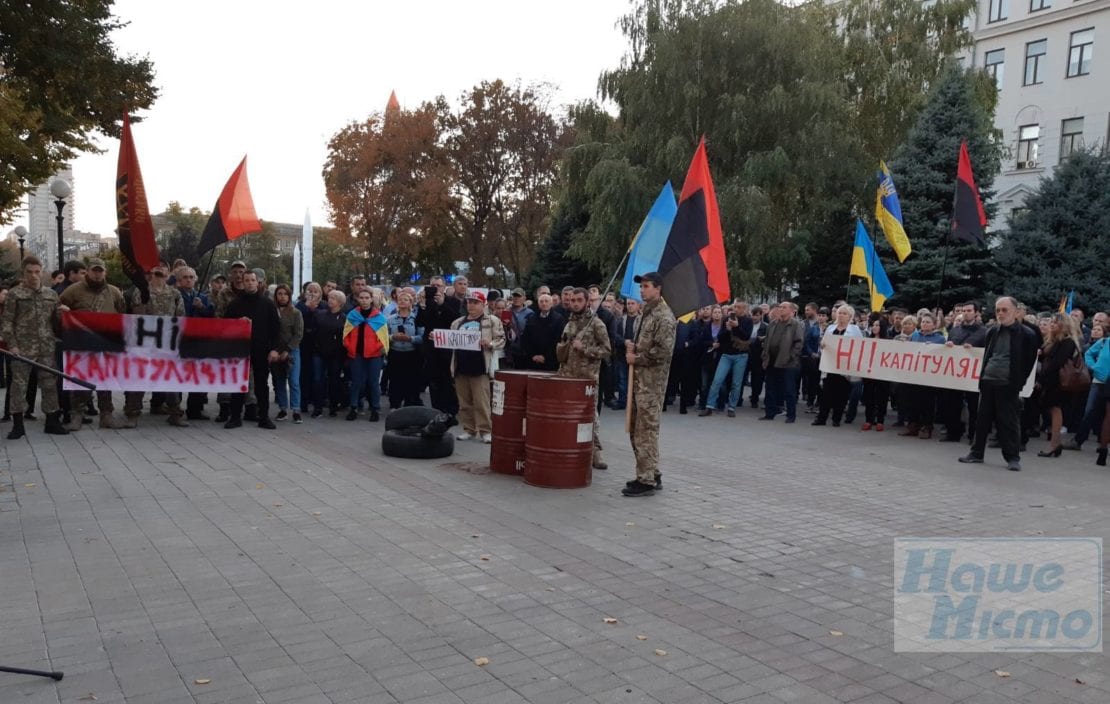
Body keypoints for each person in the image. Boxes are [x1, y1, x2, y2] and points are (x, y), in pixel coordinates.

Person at [960, 296, 1041, 471]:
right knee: (982, 420)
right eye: (998, 310)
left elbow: (1029, 361)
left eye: (1005, 310)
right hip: (988, 380)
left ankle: (1012, 457)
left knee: (1008, 421)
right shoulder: (992, 331)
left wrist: (1018, 382)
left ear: (1015, 311)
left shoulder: (1027, 334)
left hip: (1008, 383)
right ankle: (976, 453)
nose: (1001, 313)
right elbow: (988, 354)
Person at [0, 256, 69, 438]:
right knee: (19, 386)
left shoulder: (51, 295)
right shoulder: (15, 294)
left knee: (49, 384)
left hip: (46, 347)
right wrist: (12, 345)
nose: (33, 276)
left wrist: (64, 315)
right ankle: (18, 425)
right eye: (29, 272)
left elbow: (56, 322)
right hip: (22, 348)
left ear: (42, 271)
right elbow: (6, 323)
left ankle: (52, 421)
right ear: (23, 273)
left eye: (37, 272)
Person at [622, 273, 676, 497]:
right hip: (639, 381)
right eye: (641, 286)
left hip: (652, 384)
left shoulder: (664, 316)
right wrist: (632, 346)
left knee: (646, 431)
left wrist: (638, 358)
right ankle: (651, 472)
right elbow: (645, 343)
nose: (642, 291)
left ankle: (646, 481)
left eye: (646, 286)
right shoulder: (646, 312)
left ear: (658, 288)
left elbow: (664, 352)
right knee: (635, 429)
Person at [58, 257, 127, 428]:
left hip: (105, 343)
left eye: (100, 271)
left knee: (106, 380)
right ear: (87, 271)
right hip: (81, 343)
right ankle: (77, 415)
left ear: (105, 272)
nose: (97, 274)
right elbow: (58, 311)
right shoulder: (73, 291)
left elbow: (122, 314)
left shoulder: (114, 292)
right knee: (80, 380)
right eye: (94, 271)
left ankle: (106, 414)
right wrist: (64, 315)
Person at [123, 263, 188, 428]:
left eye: (162, 273)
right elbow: (136, 315)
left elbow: (181, 318)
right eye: (156, 273)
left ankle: (175, 413)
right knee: (139, 378)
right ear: (150, 273)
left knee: (171, 379)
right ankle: (133, 414)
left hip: (167, 344)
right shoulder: (141, 291)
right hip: (145, 343)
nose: (159, 276)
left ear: (168, 275)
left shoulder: (174, 293)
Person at [556, 287, 612, 469]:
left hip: (587, 379)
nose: (575, 303)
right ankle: (568, 447)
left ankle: (595, 451)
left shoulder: (596, 324)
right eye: (572, 300)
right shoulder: (569, 323)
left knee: (590, 416)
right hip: (567, 377)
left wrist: (585, 349)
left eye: (579, 300)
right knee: (566, 416)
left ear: (587, 302)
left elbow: (607, 351)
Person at [224, 270, 280, 429]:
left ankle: (264, 417)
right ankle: (235, 417)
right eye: (246, 280)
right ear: (243, 282)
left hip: (261, 349)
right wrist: (237, 322)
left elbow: (276, 329)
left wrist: (274, 349)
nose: (249, 283)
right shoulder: (235, 304)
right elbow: (225, 326)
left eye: (252, 280)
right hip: (240, 349)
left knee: (262, 384)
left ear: (258, 282)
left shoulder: (267, 304)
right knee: (238, 383)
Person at [450, 291, 505, 442]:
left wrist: (491, 344)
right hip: (461, 366)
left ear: (483, 304)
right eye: (469, 302)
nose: (471, 305)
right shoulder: (457, 322)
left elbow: (501, 339)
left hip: (480, 366)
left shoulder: (491, 321)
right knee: (464, 402)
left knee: (482, 402)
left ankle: (486, 430)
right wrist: (438, 338)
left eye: (475, 302)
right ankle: (469, 429)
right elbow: (450, 340)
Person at [940, 301, 988, 443]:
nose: (965, 313)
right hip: (955, 373)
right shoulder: (954, 330)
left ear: (977, 313)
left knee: (974, 407)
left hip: (973, 376)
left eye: (969, 310)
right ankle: (953, 433)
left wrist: (973, 350)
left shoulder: (984, 332)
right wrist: (948, 346)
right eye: (964, 311)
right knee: (952, 404)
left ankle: (973, 435)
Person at [1036, 312, 1083, 457]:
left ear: (1063, 325)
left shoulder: (1067, 342)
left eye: (1055, 323)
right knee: (1053, 411)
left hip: (1057, 383)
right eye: (1052, 322)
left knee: (1055, 411)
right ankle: (1055, 444)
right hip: (1052, 381)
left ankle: (1055, 444)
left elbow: (1056, 363)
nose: (1052, 325)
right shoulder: (1055, 340)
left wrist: (1041, 380)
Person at [700, 300, 753, 418]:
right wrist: (728, 330)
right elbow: (720, 338)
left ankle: (731, 407)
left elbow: (745, 336)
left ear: (744, 309)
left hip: (741, 355)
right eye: (734, 307)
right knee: (717, 380)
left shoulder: (748, 321)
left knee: (736, 383)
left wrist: (736, 327)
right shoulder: (726, 319)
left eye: (739, 307)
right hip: (726, 355)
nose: (735, 309)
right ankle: (709, 406)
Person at [418, 275, 462, 417]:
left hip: (447, 347)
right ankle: (436, 409)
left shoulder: (453, 302)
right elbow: (420, 322)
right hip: (431, 347)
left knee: (448, 379)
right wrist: (422, 305)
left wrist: (442, 304)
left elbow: (455, 320)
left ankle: (451, 409)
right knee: (434, 380)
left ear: (444, 287)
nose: (435, 288)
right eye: (433, 286)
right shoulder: (427, 302)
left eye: (438, 286)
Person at [343, 288, 388, 422]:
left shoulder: (379, 317)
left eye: (366, 298)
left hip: (374, 355)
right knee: (357, 382)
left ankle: (375, 408)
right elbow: (346, 334)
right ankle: (354, 407)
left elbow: (383, 337)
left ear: (371, 299)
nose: (364, 300)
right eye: (361, 298)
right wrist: (350, 347)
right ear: (357, 299)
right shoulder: (352, 315)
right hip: (356, 354)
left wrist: (379, 349)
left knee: (373, 382)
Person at [814, 304, 862, 427]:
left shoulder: (854, 330)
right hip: (830, 364)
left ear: (850, 316)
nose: (841, 315)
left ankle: (836, 418)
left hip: (844, 366)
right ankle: (821, 418)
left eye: (844, 313)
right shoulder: (831, 328)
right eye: (840, 313)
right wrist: (822, 345)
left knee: (841, 394)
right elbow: (823, 342)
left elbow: (860, 347)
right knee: (826, 393)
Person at [176, 266, 214, 420]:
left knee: (198, 374)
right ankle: (175, 408)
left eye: (191, 277)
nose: (188, 280)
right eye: (185, 277)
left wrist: (202, 307)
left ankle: (195, 409)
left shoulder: (202, 297)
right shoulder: (175, 295)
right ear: (179, 281)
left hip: (198, 342)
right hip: (180, 341)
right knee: (177, 375)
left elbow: (212, 315)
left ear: (196, 279)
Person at [762, 302, 805, 423]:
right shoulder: (773, 323)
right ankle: (769, 413)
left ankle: (791, 415)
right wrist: (765, 356)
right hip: (772, 360)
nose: (780, 309)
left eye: (784, 307)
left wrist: (791, 356)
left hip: (787, 362)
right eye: (780, 307)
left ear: (791, 311)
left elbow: (799, 342)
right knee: (770, 387)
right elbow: (766, 342)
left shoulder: (795, 324)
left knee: (789, 389)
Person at [905, 313, 946, 439]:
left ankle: (927, 426)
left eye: (928, 322)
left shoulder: (940, 339)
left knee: (927, 401)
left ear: (934, 325)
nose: (925, 324)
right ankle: (913, 425)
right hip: (915, 373)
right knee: (913, 400)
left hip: (929, 375)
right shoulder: (915, 336)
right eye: (923, 322)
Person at [386, 289, 425, 408]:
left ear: (411, 303)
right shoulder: (390, 319)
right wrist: (393, 337)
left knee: (411, 380)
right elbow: (384, 336)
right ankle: (394, 404)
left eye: (405, 299)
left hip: (411, 353)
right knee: (395, 380)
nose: (402, 301)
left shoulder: (417, 318)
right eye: (400, 299)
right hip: (395, 353)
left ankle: (410, 404)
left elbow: (422, 337)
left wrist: (410, 339)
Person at [272, 284, 304, 423]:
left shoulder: (295, 313)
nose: (282, 296)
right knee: (279, 381)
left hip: (292, 350)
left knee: (294, 381)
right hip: (275, 351)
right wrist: (274, 350)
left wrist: (288, 350)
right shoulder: (272, 311)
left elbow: (298, 334)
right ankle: (283, 409)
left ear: (289, 296)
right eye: (280, 293)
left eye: (285, 294)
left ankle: (296, 410)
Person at [313, 290, 347, 417]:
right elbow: (314, 331)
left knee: (334, 380)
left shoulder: (344, 318)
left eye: (334, 298)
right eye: (330, 297)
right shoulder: (320, 314)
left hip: (336, 354)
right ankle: (318, 407)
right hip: (319, 352)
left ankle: (333, 406)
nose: (330, 300)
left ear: (340, 302)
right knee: (318, 379)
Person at [521, 293, 564, 371]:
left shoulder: (558, 319)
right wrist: (533, 355)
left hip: (551, 362)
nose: (544, 303)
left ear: (551, 304)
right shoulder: (531, 319)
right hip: (533, 361)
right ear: (538, 304)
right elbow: (526, 339)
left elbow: (558, 340)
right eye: (541, 301)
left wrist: (545, 357)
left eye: (546, 301)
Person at [861, 318, 890, 431]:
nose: (874, 327)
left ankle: (880, 421)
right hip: (869, 373)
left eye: (877, 325)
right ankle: (868, 420)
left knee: (881, 398)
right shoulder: (867, 340)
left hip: (882, 374)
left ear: (882, 327)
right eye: (873, 325)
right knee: (869, 397)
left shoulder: (888, 341)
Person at [801, 302, 822, 412]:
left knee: (818, 381)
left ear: (814, 310)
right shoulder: (803, 324)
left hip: (822, 358)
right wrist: (811, 353)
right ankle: (810, 401)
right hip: (808, 356)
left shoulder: (821, 325)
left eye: (808, 310)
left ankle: (819, 401)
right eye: (805, 310)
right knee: (810, 380)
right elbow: (805, 341)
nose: (806, 312)